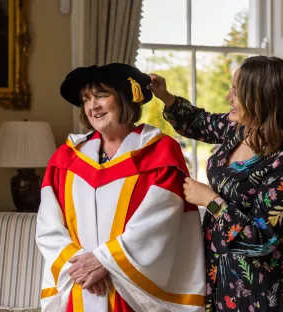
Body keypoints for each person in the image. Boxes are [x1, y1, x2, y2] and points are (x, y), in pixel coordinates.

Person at [36, 63, 206, 312]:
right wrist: (83, 269)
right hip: (80, 286)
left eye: (102, 96)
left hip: (133, 290)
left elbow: (159, 222)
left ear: (126, 99)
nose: (93, 106)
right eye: (86, 99)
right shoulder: (66, 159)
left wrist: (105, 262)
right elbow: (48, 226)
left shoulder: (159, 153)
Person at [149, 56, 283, 312]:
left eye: (236, 91)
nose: (228, 96)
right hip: (217, 268)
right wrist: (166, 96)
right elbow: (199, 123)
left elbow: (261, 239)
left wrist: (210, 201)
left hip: (260, 284)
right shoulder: (238, 128)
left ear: (262, 98)